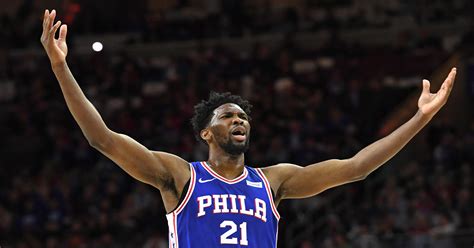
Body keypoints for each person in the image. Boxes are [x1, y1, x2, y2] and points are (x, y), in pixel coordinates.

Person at [40, 9, 457, 247]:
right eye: (227, 115)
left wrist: (419, 118)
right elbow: (102, 139)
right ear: (206, 132)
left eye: (243, 116)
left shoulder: (273, 181)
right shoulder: (181, 176)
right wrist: (61, 68)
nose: (239, 120)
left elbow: (356, 168)